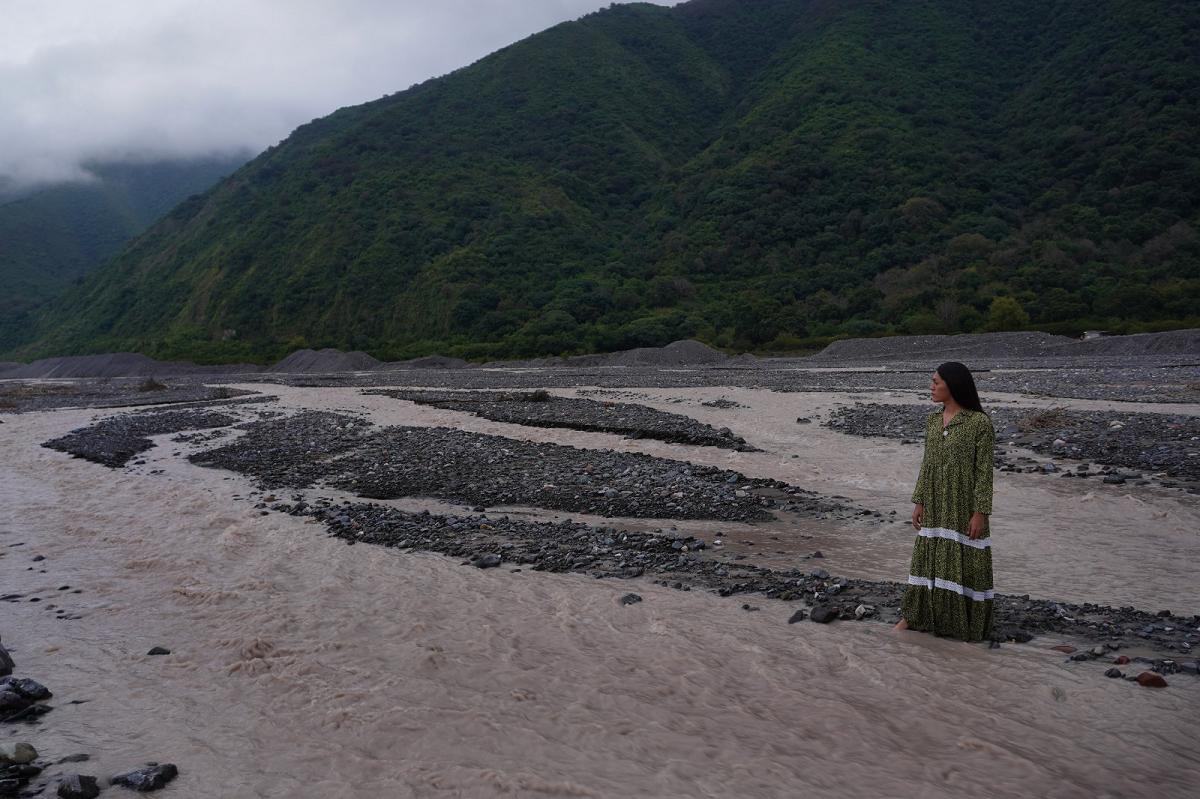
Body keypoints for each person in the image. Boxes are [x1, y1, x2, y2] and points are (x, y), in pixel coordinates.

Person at [894, 361, 995, 641]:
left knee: (964, 561)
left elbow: (984, 472)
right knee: (928, 559)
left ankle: (962, 624)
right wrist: (919, 501)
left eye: (936, 382)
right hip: (936, 502)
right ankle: (914, 617)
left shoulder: (979, 423)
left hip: (963, 504)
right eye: (933, 381)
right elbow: (927, 464)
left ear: (953, 385)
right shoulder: (932, 420)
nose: (931, 386)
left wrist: (980, 512)